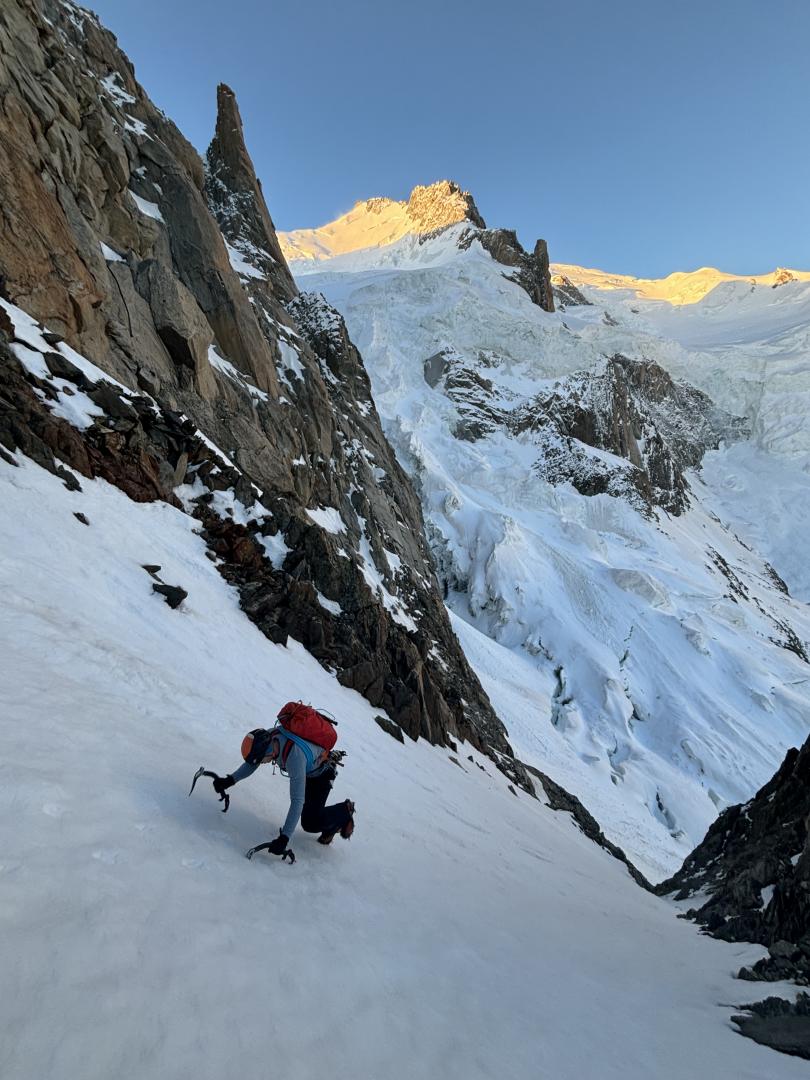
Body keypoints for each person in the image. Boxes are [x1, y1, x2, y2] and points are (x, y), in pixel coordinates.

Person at [213, 725, 355, 856]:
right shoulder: (268, 737)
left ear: (268, 753)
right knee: (310, 815)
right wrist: (230, 780)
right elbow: (253, 763)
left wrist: (284, 838)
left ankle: (343, 812)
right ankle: (333, 821)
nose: (261, 763)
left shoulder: (295, 757)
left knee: (310, 822)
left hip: (322, 775)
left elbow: (297, 801)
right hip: (307, 770)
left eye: (262, 760)